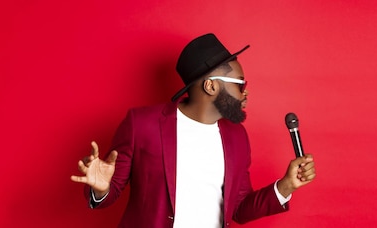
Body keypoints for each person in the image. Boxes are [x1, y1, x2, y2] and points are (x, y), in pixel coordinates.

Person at [71, 33, 316, 227]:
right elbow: (110, 193)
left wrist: (286, 186)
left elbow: (239, 209)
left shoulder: (236, 136)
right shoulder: (142, 124)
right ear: (210, 86)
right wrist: (101, 188)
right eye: (241, 84)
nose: (246, 92)